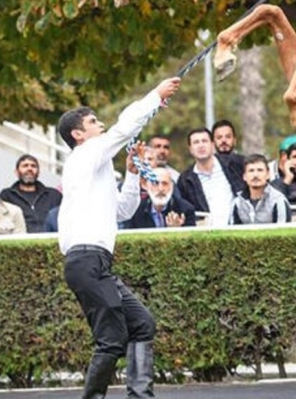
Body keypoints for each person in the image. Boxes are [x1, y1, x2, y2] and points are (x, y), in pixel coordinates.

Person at [57, 76, 181, 399]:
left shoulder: (96, 171)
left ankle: (140, 396)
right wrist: (156, 95)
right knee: (110, 340)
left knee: (141, 323)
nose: (101, 125)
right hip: (87, 261)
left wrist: (132, 172)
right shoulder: (84, 155)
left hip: (95, 262)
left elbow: (123, 210)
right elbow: (124, 129)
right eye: (93, 121)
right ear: (78, 134)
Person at [176, 127, 245, 227]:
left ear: (213, 145)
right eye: (196, 142)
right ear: (190, 149)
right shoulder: (185, 180)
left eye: (204, 141)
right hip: (207, 236)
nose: (201, 145)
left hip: (237, 230)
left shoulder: (234, 164)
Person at [0, 154, 63, 233]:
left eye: (33, 166)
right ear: (16, 172)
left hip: (52, 240)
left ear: (38, 172)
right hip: (21, 242)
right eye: (25, 166)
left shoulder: (54, 195)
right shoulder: (7, 196)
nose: (29, 168)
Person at [122, 166, 196, 228]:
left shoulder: (185, 210)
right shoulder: (135, 210)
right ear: (146, 186)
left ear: (172, 186)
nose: (160, 189)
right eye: (155, 183)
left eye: (165, 184)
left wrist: (176, 231)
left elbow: (192, 243)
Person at [229, 154, 291, 225]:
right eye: (251, 171)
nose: (255, 175)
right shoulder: (237, 203)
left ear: (268, 174)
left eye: (260, 170)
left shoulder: (278, 200)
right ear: (244, 176)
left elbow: (283, 232)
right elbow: (231, 232)